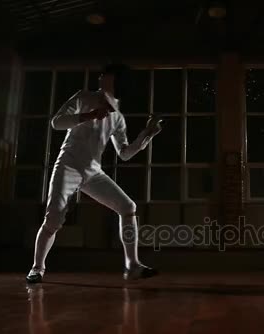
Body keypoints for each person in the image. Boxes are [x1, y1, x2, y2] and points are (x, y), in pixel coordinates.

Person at [26, 64, 162, 283]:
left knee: (128, 207)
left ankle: (132, 265)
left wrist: (147, 134)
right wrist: (88, 115)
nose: (106, 83)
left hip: (92, 172)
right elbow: (56, 122)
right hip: (68, 165)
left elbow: (125, 153)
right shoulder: (83, 97)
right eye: (105, 78)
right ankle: (37, 268)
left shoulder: (117, 117)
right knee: (53, 219)